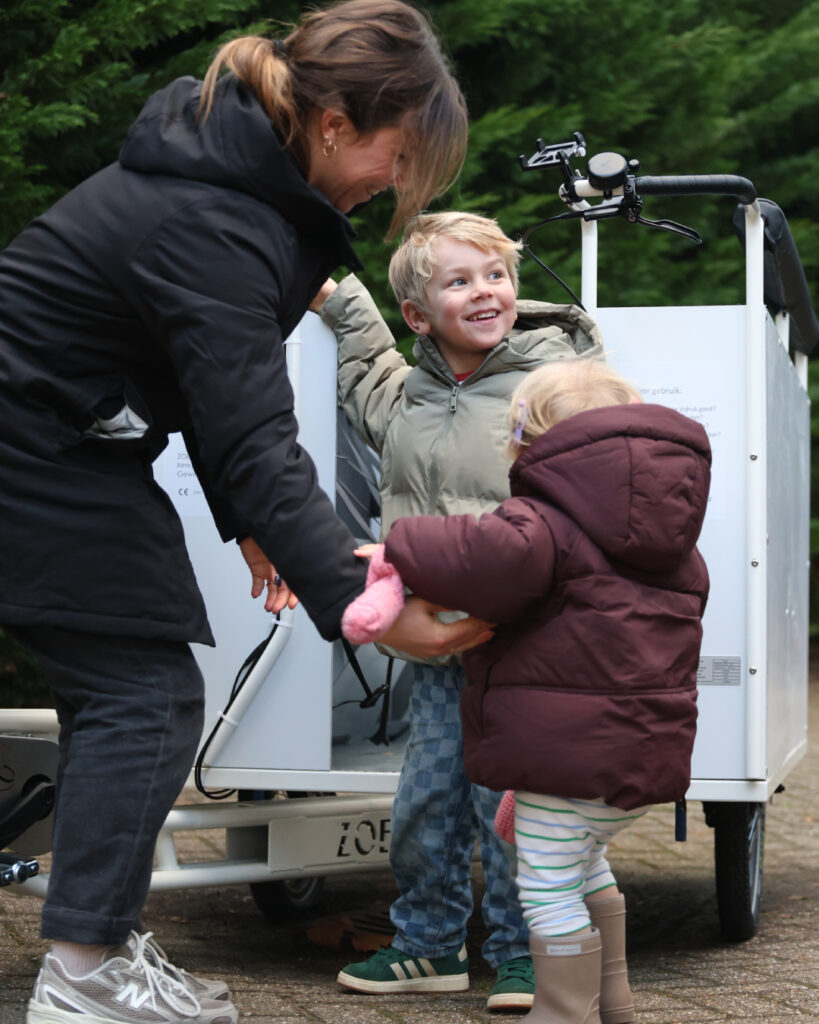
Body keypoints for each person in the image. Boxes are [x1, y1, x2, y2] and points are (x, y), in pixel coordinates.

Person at [0, 4, 484, 1023]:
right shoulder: (216, 218)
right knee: (143, 693)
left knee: (125, 689)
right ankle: (83, 975)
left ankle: (97, 947)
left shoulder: (225, 184)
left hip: (59, 438)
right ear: (336, 126)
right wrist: (363, 606)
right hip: (32, 441)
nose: (396, 183)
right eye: (399, 156)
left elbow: (206, 393)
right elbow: (256, 438)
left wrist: (249, 520)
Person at [342, 359, 711, 1024]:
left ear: (526, 443)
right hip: (641, 757)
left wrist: (400, 546)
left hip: (562, 760)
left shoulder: (542, 522)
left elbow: (480, 557)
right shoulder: (674, 542)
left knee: (545, 887)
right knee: (585, 866)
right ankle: (612, 1002)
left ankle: (564, 1012)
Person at [314, 211, 603, 1011]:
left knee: (508, 805)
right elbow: (363, 358)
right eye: (459, 281)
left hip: (523, 642)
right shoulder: (407, 397)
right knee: (427, 800)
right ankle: (428, 944)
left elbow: (597, 489)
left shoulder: (555, 385)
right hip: (439, 643)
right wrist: (327, 292)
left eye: (495, 275)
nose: (484, 291)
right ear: (418, 314)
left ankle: (520, 953)